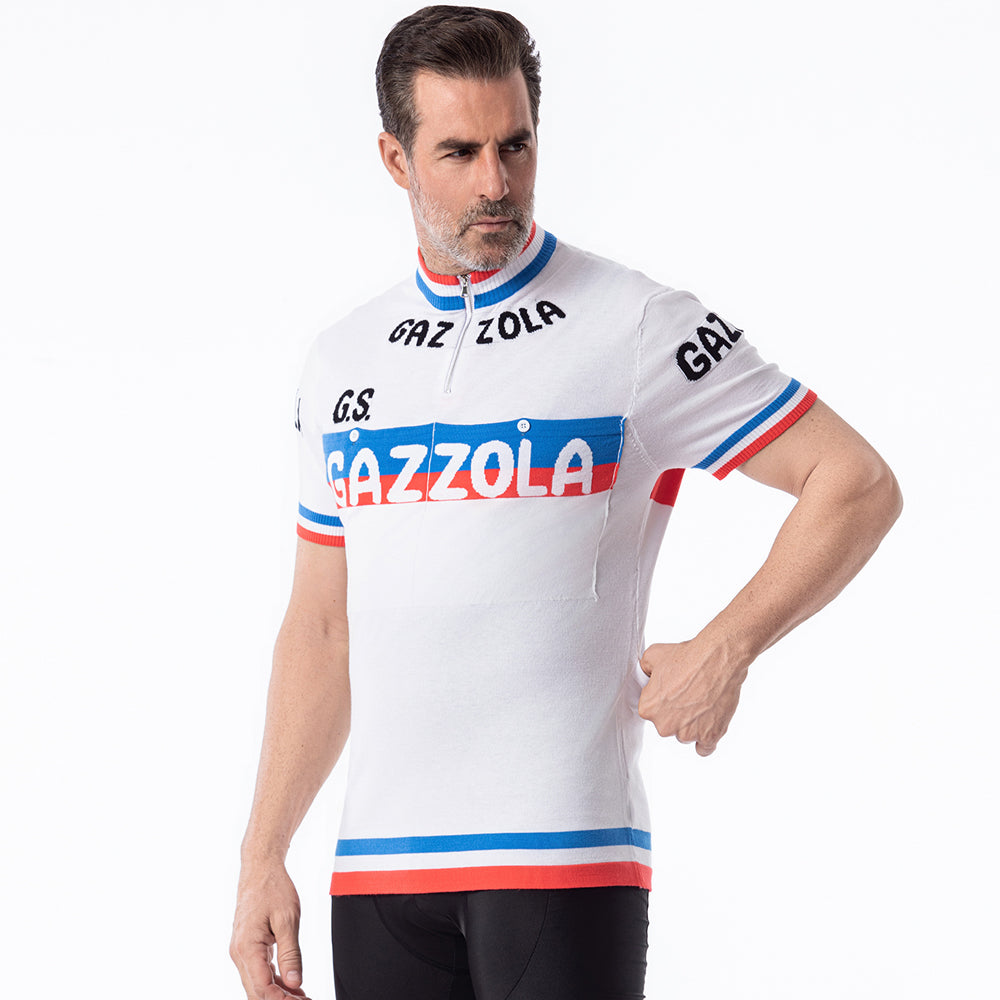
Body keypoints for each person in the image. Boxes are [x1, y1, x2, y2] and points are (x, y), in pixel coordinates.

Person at [229, 7, 902, 999]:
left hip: (563, 858)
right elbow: (322, 626)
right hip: (378, 869)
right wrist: (262, 852)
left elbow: (855, 481)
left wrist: (728, 646)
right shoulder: (342, 359)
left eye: (516, 145)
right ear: (394, 158)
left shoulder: (635, 323)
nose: (495, 183)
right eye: (459, 152)